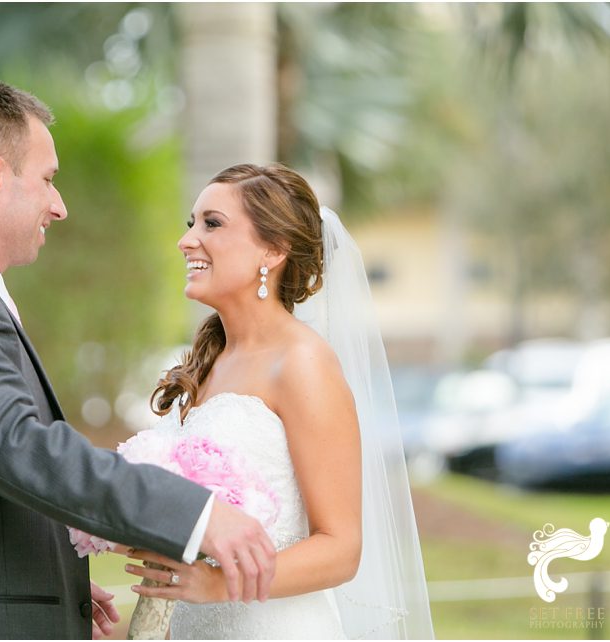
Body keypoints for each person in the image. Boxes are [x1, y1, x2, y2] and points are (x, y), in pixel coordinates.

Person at [0, 80, 276, 640]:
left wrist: (54, 590)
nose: (60, 205)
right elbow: (20, 447)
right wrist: (196, 514)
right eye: (48, 179)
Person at [121, 163, 434, 639]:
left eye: (212, 224)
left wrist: (217, 583)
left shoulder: (303, 362)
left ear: (273, 249)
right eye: (192, 224)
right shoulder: (210, 361)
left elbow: (341, 548)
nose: (187, 241)